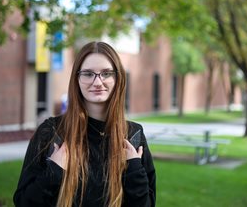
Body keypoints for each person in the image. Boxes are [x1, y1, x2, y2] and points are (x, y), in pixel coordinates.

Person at [13, 41, 156, 207]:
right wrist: (54, 171)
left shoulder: (133, 135)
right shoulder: (52, 131)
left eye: (106, 73)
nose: (97, 82)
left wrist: (135, 170)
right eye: (88, 74)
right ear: (77, 78)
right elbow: (24, 203)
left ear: (118, 78)